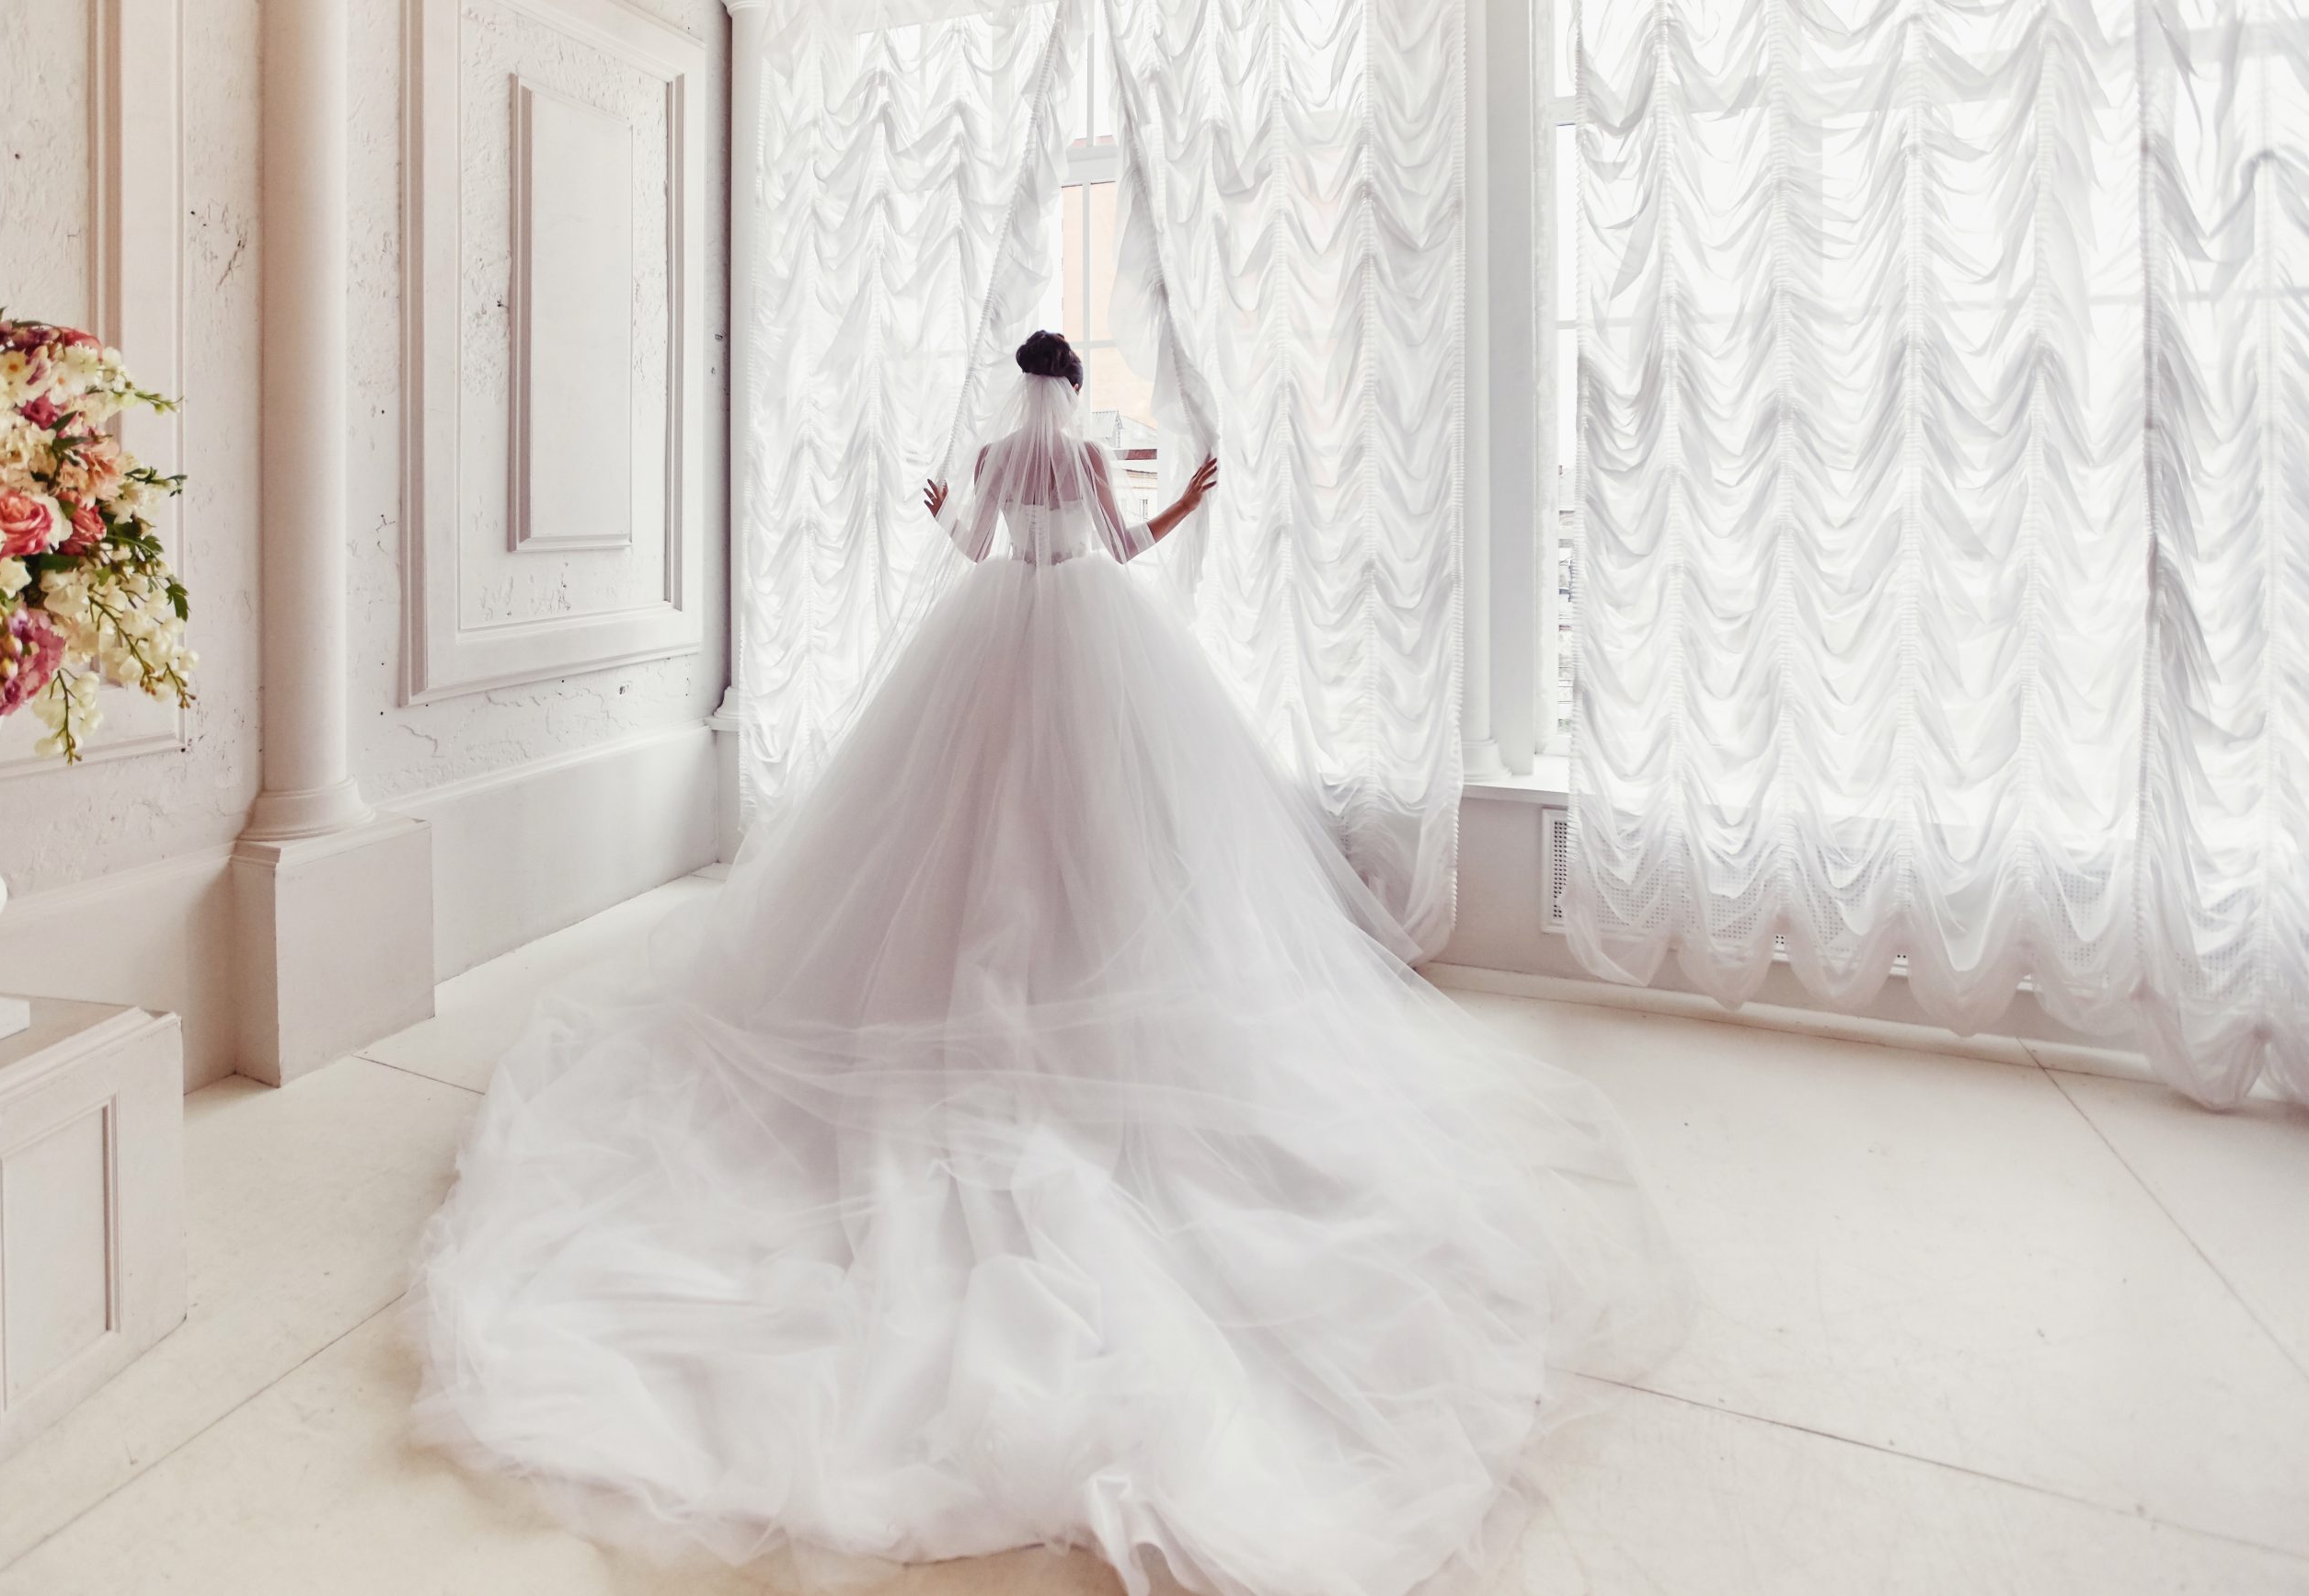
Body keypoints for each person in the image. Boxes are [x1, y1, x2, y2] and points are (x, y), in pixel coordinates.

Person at [409, 330, 1686, 1596]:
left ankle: (956, 1000)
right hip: (1083, 644)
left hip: (987, 644)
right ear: (1067, 392)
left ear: (1015, 391)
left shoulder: (993, 459)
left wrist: (938, 509)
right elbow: (1122, 550)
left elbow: (973, 548)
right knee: (1099, 841)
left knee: (959, 837)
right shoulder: (1081, 463)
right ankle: (1089, 998)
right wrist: (1189, 499)